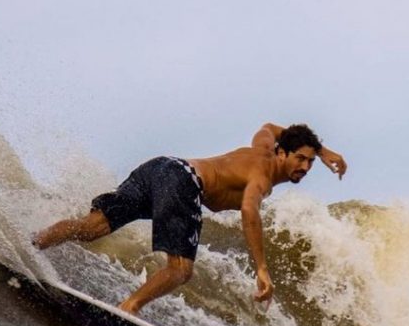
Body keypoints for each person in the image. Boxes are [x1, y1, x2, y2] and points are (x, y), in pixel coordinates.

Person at [32, 123, 347, 315]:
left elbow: (268, 126)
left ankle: (33, 243)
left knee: (91, 229)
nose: (305, 167)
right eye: (300, 158)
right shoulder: (262, 178)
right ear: (282, 154)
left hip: (159, 167)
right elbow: (250, 212)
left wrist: (322, 151)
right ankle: (127, 309)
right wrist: (262, 269)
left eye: (310, 161)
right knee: (181, 270)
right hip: (183, 181)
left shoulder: (264, 146)